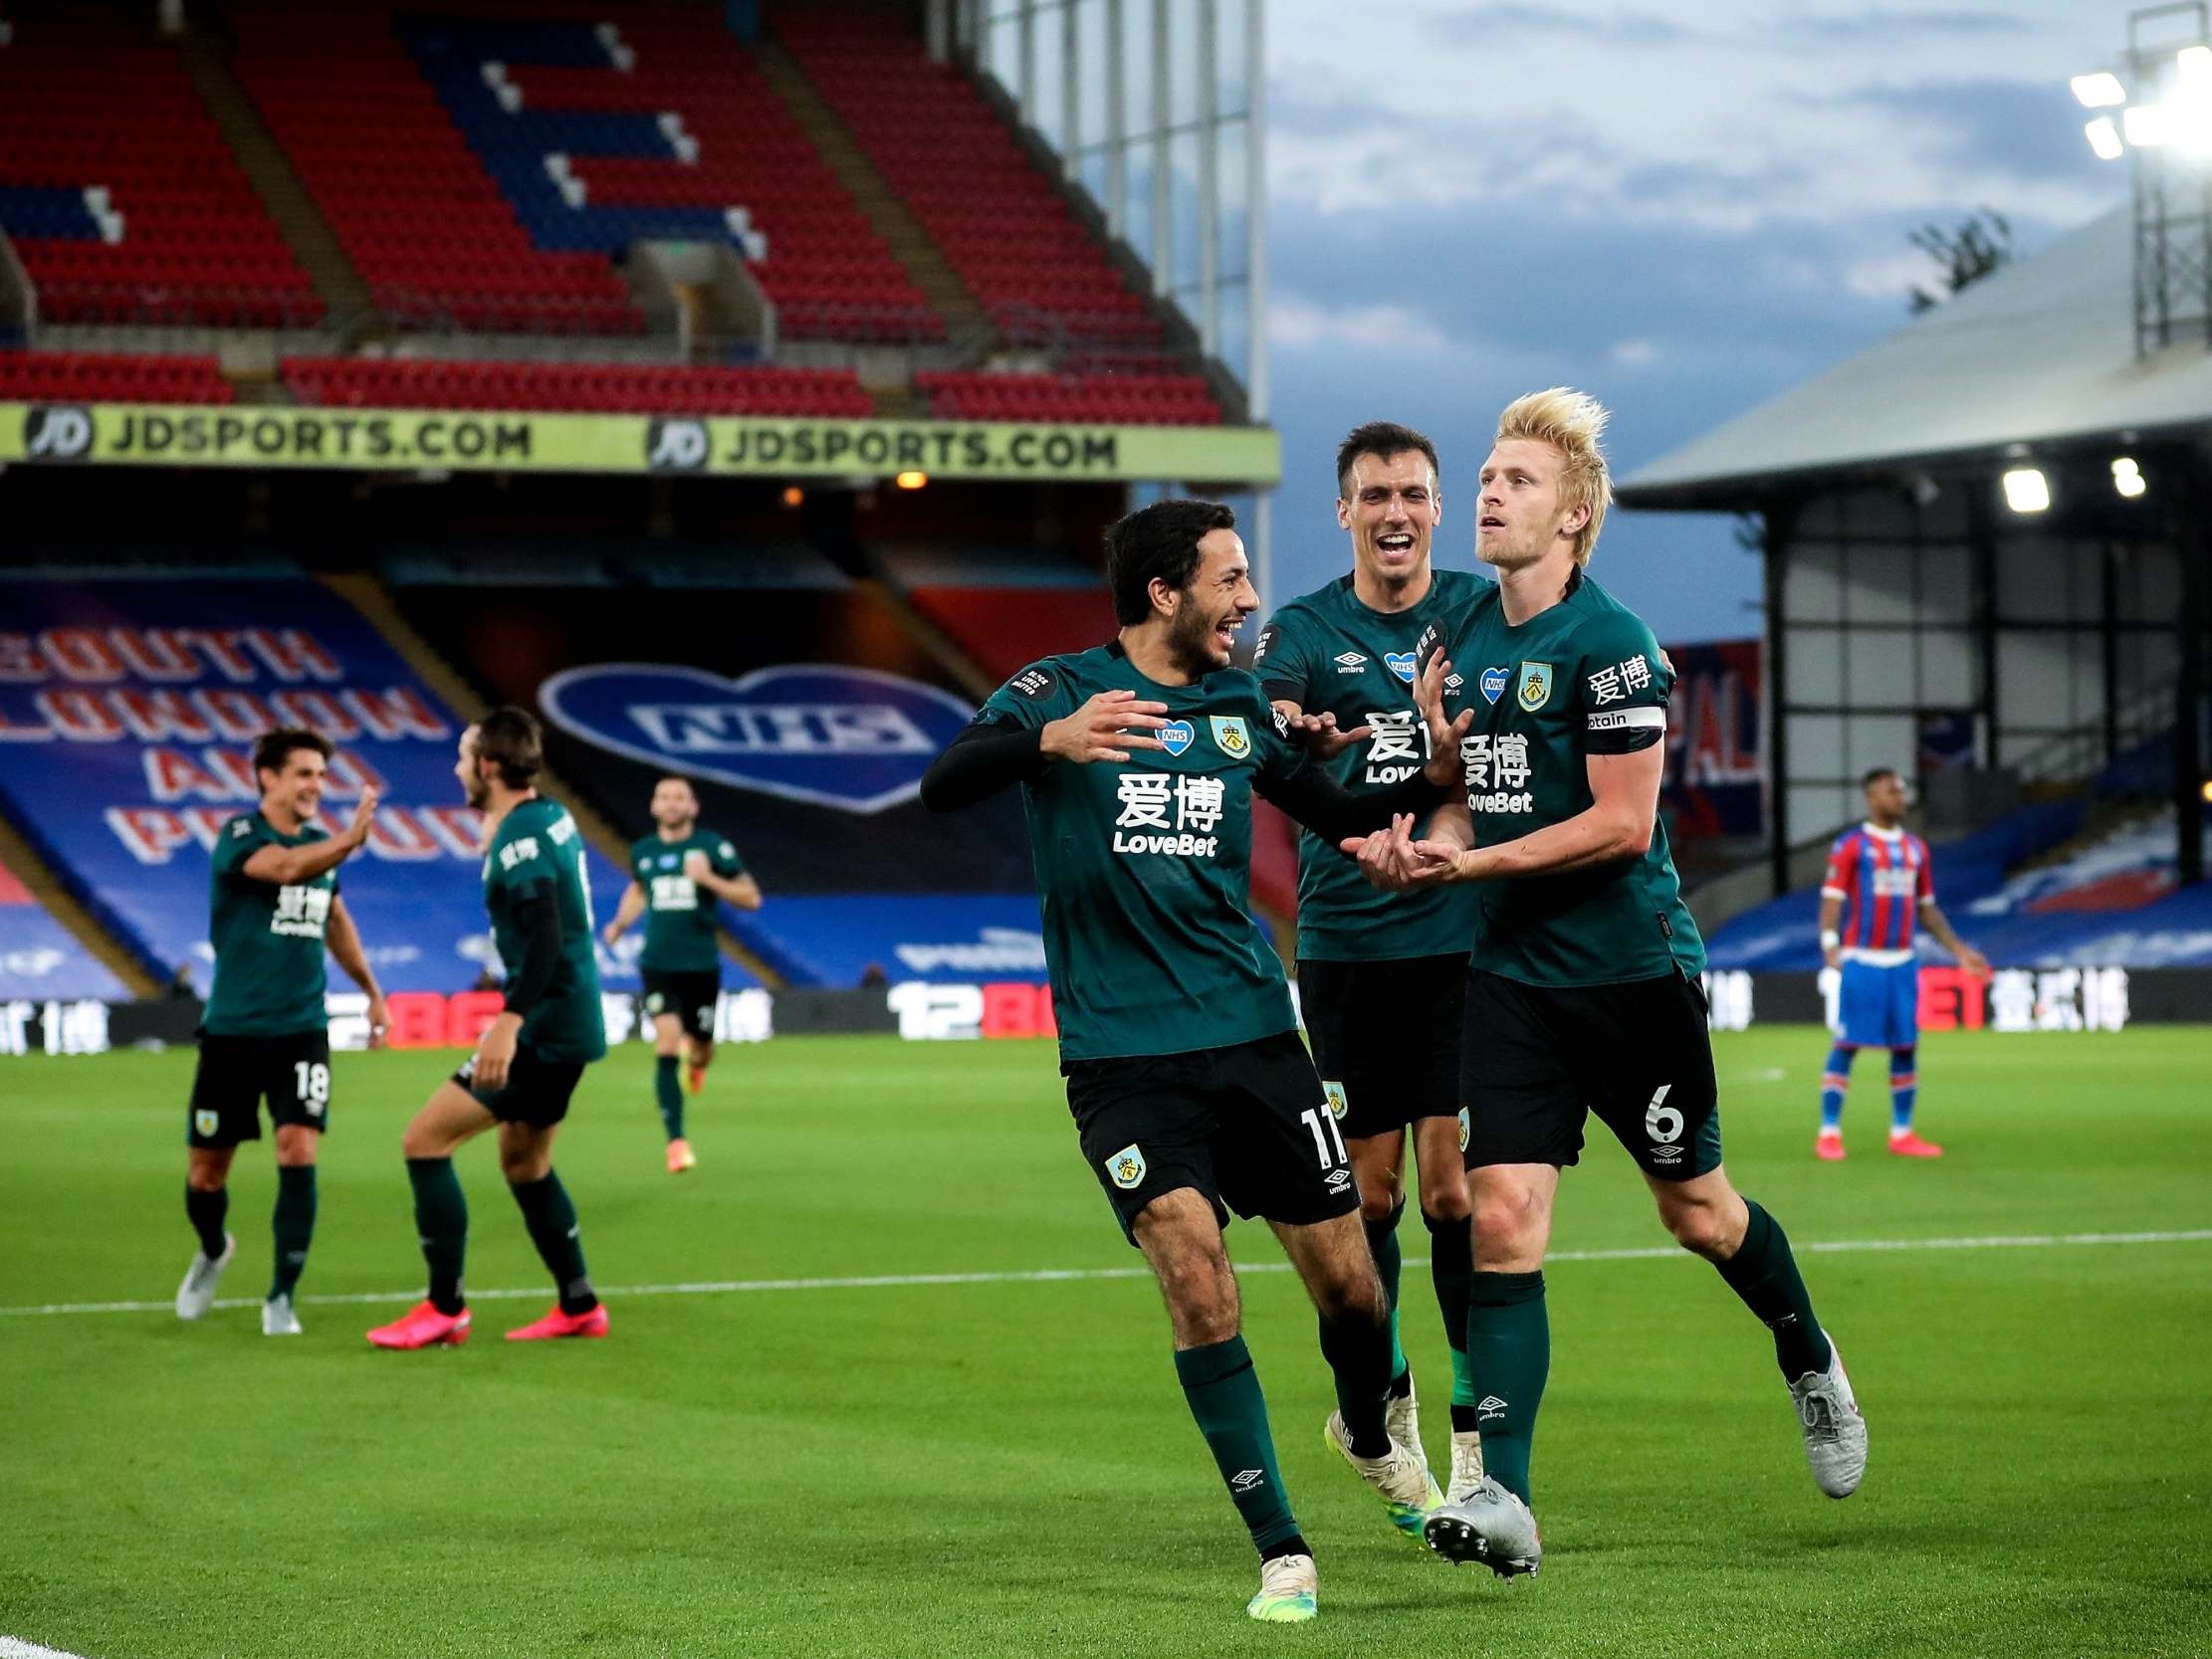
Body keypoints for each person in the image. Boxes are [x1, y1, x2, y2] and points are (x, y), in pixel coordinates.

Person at [1344, 390, 1867, 1579]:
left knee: (1697, 1213)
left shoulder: (1613, 643)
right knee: (1501, 1218)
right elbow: (1474, 784)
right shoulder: (1466, 633)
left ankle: (1805, 1352)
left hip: (1629, 974)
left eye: (1514, 481)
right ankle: (1508, 1498)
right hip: (1512, 974)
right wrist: (1423, 813)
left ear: (1573, 516)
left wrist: (1462, 858)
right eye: (1483, 475)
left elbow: (1620, 827)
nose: (1484, 493)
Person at [921, 497, 1472, 1625]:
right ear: (1164, 591)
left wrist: (1426, 778)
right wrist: (1049, 743)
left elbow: (1329, 807)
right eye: (1229, 578)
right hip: (1121, 1061)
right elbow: (945, 779)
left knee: (1354, 1292)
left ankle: (1366, 1425)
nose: (1250, 599)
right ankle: (1280, 1547)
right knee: (1193, 1270)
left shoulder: (1233, 703)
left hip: (1255, 1038)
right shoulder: (1059, 691)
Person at [1253, 419, 1485, 1503]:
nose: (1393, 511)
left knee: (1455, 1194)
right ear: (1341, 511)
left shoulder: (1478, 615)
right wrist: (1294, 724)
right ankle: (1382, 1408)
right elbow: (1268, 709)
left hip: (1456, 941)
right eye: (1372, 494)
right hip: (1345, 948)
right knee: (1376, 1196)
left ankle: (1473, 1422)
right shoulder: (1301, 626)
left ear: (1437, 508)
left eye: (1411, 493)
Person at [367, 708, 609, 1349]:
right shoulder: (547, 816)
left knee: (424, 1141)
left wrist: (507, 1022)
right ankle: (579, 1303)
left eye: (465, 754)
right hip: (571, 1022)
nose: (457, 766)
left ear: (491, 766)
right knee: (525, 1162)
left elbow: (547, 937)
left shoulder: (519, 839)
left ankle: (444, 1308)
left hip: (544, 1030)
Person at [174, 728, 386, 1338]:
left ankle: (281, 1296)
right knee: (205, 1175)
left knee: (298, 1149)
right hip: (234, 1031)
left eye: (321, 774)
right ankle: (214, 1249)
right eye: (303, 773)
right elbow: (288, 868)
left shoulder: (324, 849)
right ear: (267, 777)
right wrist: (350, 839)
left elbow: (335, 921)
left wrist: (372, 993)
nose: (315, 785)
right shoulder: (241, 837)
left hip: (301, 1030)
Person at [1816, 767, 1990, 1159]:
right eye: (1891, 791)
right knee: (1847, 1043)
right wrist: (1830, 943)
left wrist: (1960, 952)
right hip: (1862, 960)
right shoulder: (1852, 845)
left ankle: (1902, 1132)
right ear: (1871, 797)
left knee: (1906, 1047)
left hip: (1904, 962)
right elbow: (1832, 898)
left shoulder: (1915, 849)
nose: (1901, 797)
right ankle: (1829, 1132)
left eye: (1902, 790)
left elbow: (1927, 909)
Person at [600, 774, 762, 1172]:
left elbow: (752, 898)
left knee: (702, 1048)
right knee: (667, 1042)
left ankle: (699, 1062)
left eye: (680, 798)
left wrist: (709, 879)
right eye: (664, 797)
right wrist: (621, 923)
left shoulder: (711, 847)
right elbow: (640, 889)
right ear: (654, 806)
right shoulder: (643, 851)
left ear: (692, 807)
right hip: (658, 963)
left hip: (701, 966)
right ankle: (676, 1141)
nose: (671, 803)